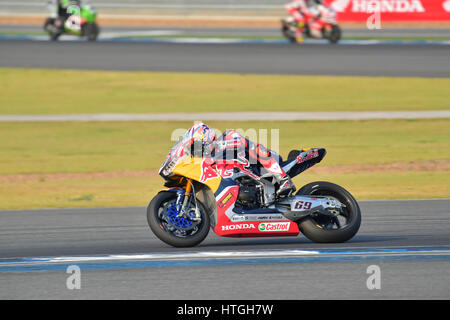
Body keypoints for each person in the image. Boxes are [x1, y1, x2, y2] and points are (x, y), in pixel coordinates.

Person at [186, 122, 295, 197]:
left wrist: (219, 145)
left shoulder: (227, 135)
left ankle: (284, 179)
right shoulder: (209, 159)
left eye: (196, 146)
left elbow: (242, 142)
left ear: (206, 139)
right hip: (246, 181)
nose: (195, 151)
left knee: (255, 148)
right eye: (192, 148)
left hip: (262, 166)